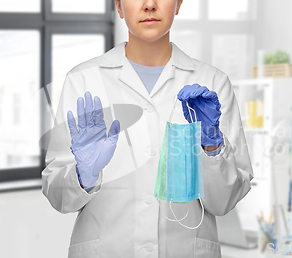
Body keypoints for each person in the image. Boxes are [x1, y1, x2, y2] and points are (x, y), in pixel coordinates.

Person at [41, 0, 254, 257]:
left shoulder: (212, 82)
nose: (150, 5)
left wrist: (212, 147)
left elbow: (225, 202)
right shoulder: (83, 80)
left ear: (178, 4)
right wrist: (83, 175)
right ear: (119, 7)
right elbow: (57, 196)